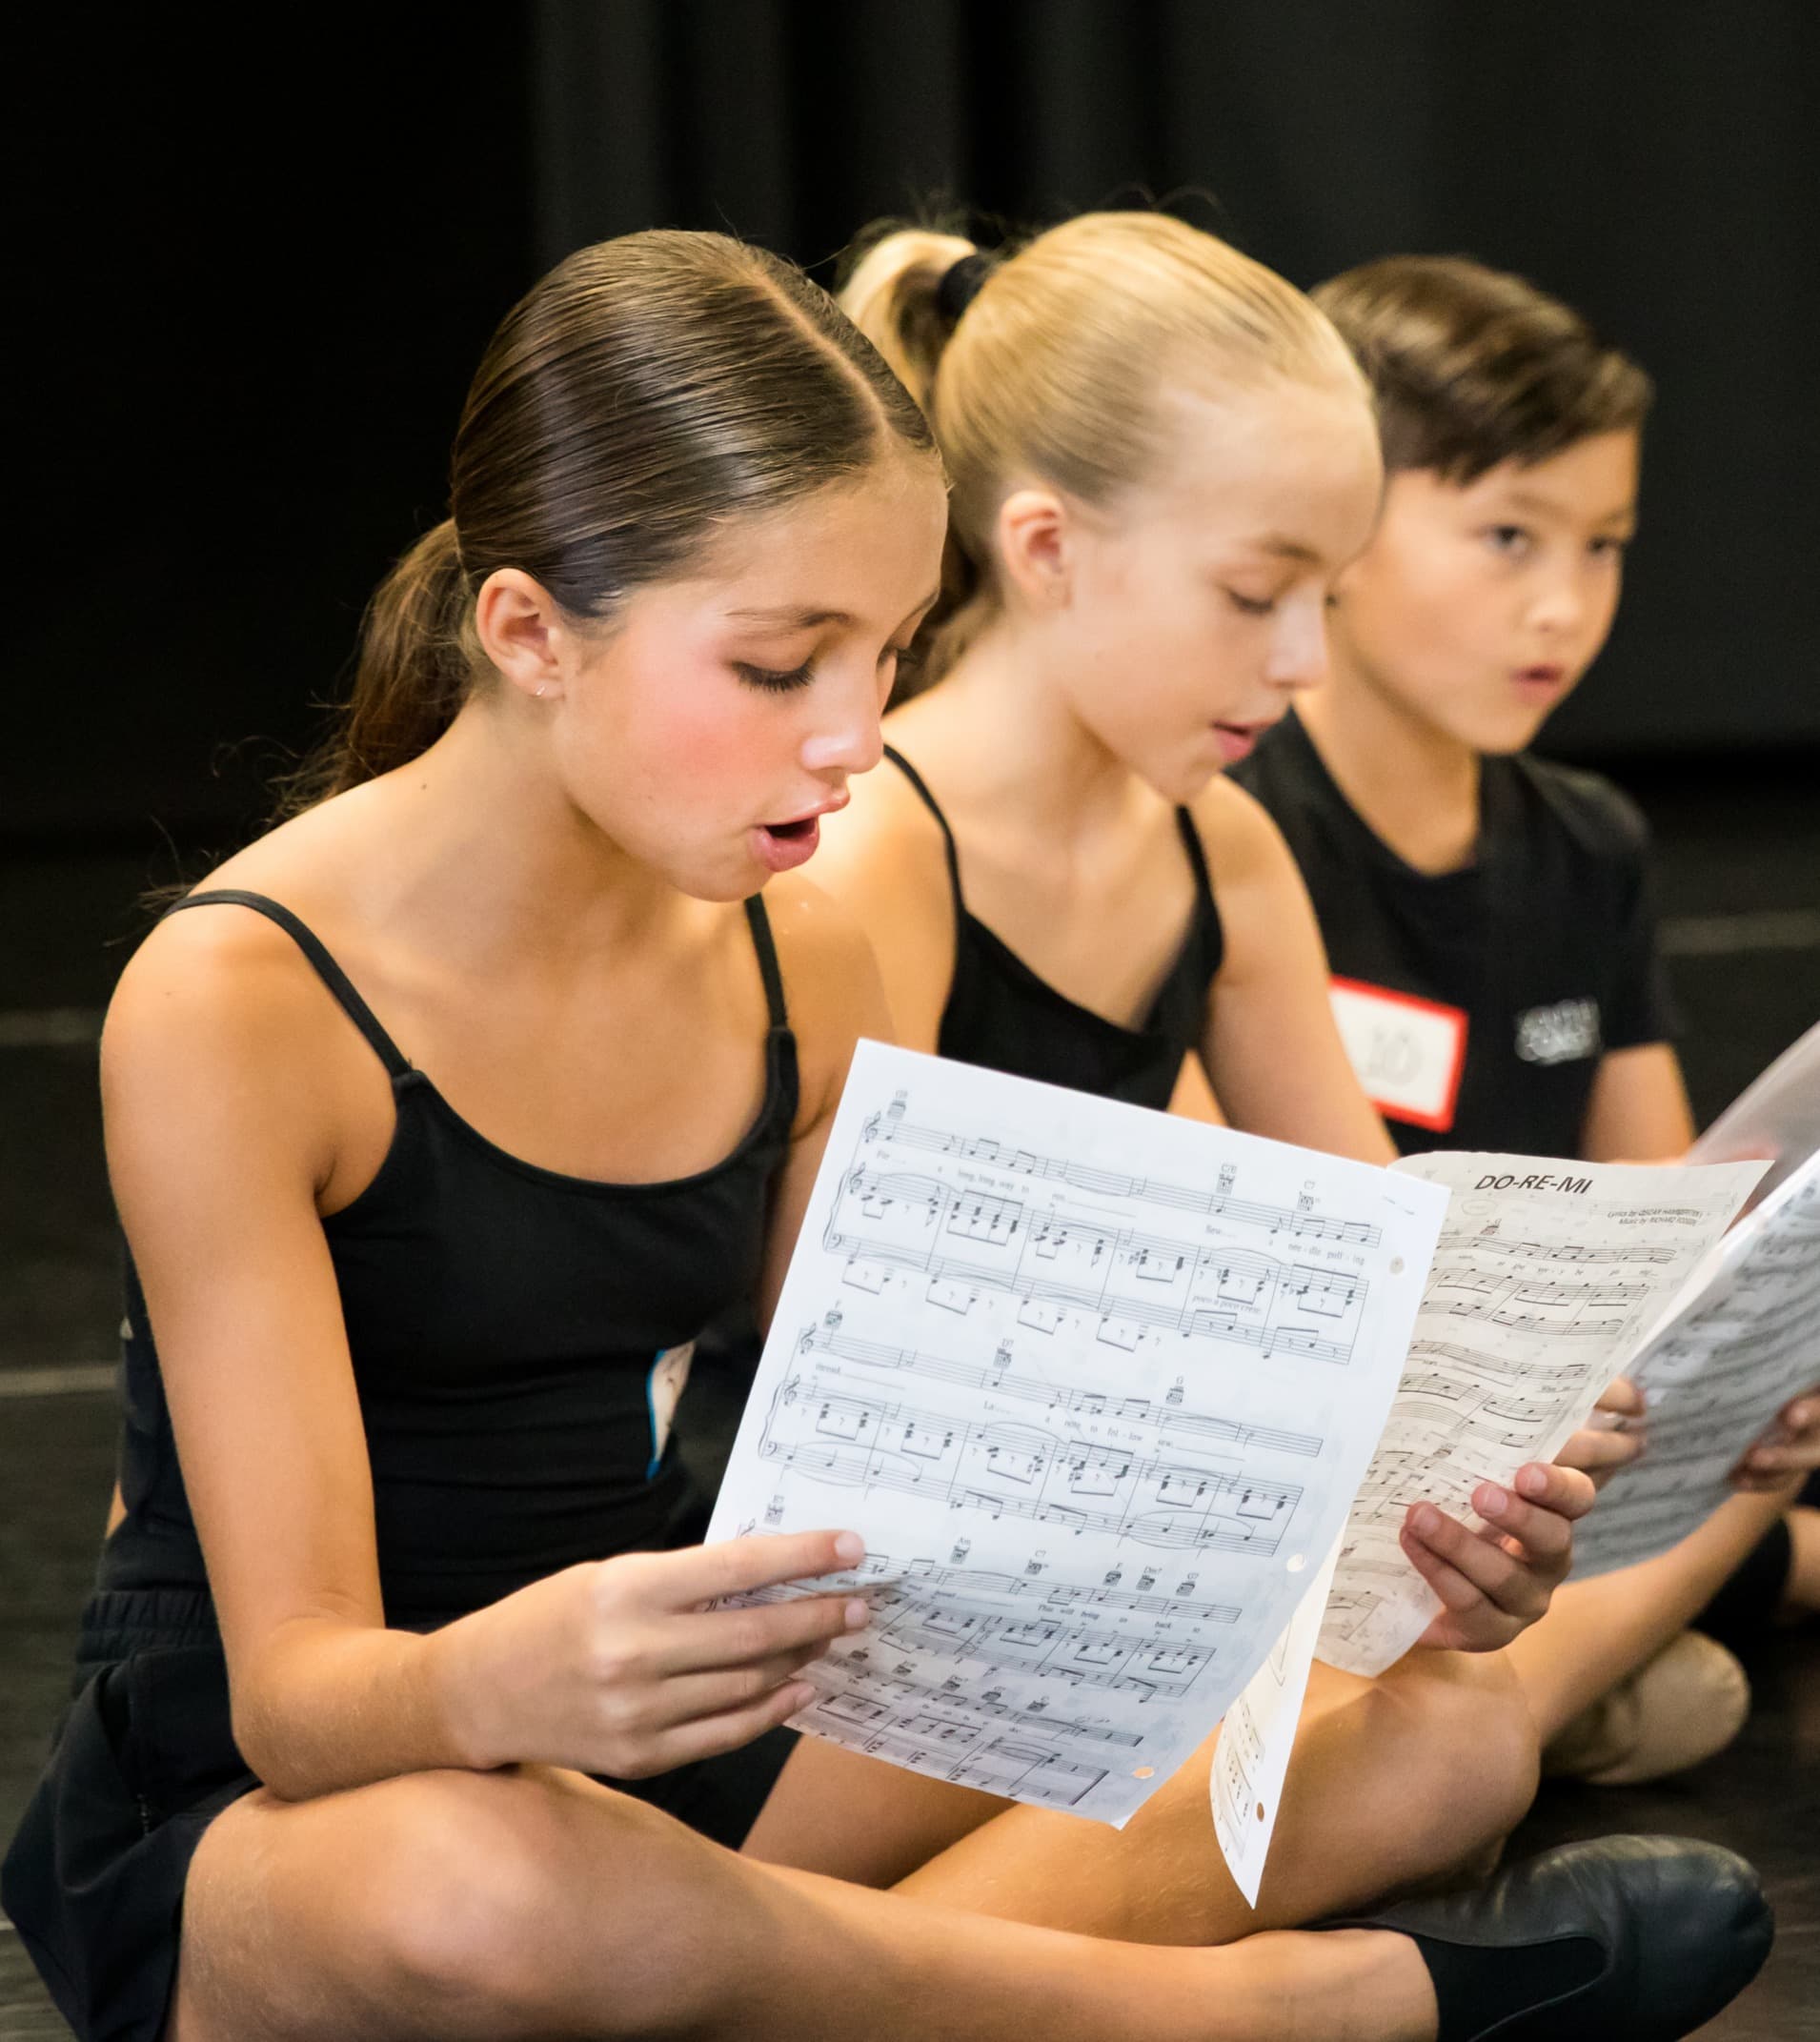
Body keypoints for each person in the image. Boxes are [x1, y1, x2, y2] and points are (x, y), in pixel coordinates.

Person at [0, 225, 1771, 2042]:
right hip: (325, 1787)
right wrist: (504, 1681)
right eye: (782, 666)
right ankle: (1305, 2015)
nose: (855, 735)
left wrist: (1391, 1551)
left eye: (892, 653)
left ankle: (746, 1989)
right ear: (529, 632)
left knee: (1438, 1752)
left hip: (673, 1713)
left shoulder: (798, 950)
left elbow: (919, 1484)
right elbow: (296, 1695)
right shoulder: (237, 993)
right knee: (487, 1890)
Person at [780, 209, 1699, 1936]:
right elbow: (839, 1374)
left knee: (1456, 1740)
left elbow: (1377, 1265)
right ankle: (840, 1964)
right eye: (1254, 596)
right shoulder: (871, 856)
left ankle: (837, 1975)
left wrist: (1511, 1425)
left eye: (1321, 601)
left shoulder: (1218, 853)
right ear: (1046, 547)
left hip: (1101, 1581)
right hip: (876, 1613)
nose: (1296, 660)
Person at [1229, 252, 1820, 1782]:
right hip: (1337, 1477)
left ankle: (1531, 1695)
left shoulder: (1586, 842)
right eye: (1505, 537)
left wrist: (1745, 1366)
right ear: (1337, 532)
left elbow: (1667, 1232)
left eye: (1604, 546)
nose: (1561, 605)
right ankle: (1505, 1719)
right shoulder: (1232, 827)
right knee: (1679, 1683)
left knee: (1751, 1472)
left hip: (1558, 1470)